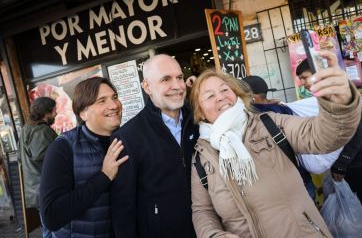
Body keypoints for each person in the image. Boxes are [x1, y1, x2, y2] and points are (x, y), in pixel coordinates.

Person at [189, 50, 361, 238]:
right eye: (209, 96)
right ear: (200, 112)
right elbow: (202, 210)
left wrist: (340, 102)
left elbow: (322, 136)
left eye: (224, 90)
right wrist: (213, 235)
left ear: (236, 95)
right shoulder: (202, 156)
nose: (220, 97)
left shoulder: (270, 123)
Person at [111, 54, 199, 238]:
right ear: (147, 87)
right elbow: (123, 209)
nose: (177, 86)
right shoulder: (127, 137)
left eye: (180, 77)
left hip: (207, 230)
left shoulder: (199, 120)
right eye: (165, 79)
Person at [39, 77, 128, 237]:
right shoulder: (63, 148)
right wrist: (104, 177)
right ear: (83, 113)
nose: (114, 105)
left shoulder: (128, 140)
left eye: (114, 97)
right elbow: (51, 216)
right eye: (101, 101)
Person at [291, 58, 362, 202]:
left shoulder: (340, 96)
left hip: (355, 163)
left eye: (304, 77)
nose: (302, 83)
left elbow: (357, 133)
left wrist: (342, 164)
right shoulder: (321, 99)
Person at [243, 75, 316, 200]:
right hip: (302, 177)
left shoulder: (251, 117)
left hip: (280, 188)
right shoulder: (285, 109)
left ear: (252, 97)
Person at [18, 97, 57, 238]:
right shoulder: (41, 130)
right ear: (46, 112)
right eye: (54, 110)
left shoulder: (26, 128)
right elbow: (43, 155)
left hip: (35, 188)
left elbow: (19, 158)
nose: (56, 113)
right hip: (47, 187)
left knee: (47, 226)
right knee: (55, 228)